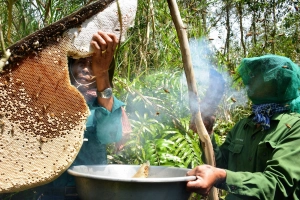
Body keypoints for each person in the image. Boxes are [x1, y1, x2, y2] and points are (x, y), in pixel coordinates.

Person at [0, 31, 131, 200]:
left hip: (92, 193)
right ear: (69, 66)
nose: (85, 69)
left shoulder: (108, 102)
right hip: (51, 194)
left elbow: (110, 135)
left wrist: (102, 73)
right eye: (81, 62)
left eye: (92, 65)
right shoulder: (48, 101)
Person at [186, 54, 300, 200]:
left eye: (258, 75)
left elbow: (278, 183)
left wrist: (223, 176)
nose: (250, 80)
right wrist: (208, 134)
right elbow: (219, 164)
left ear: (277, 82)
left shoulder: (295, 128)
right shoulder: (244, 125)